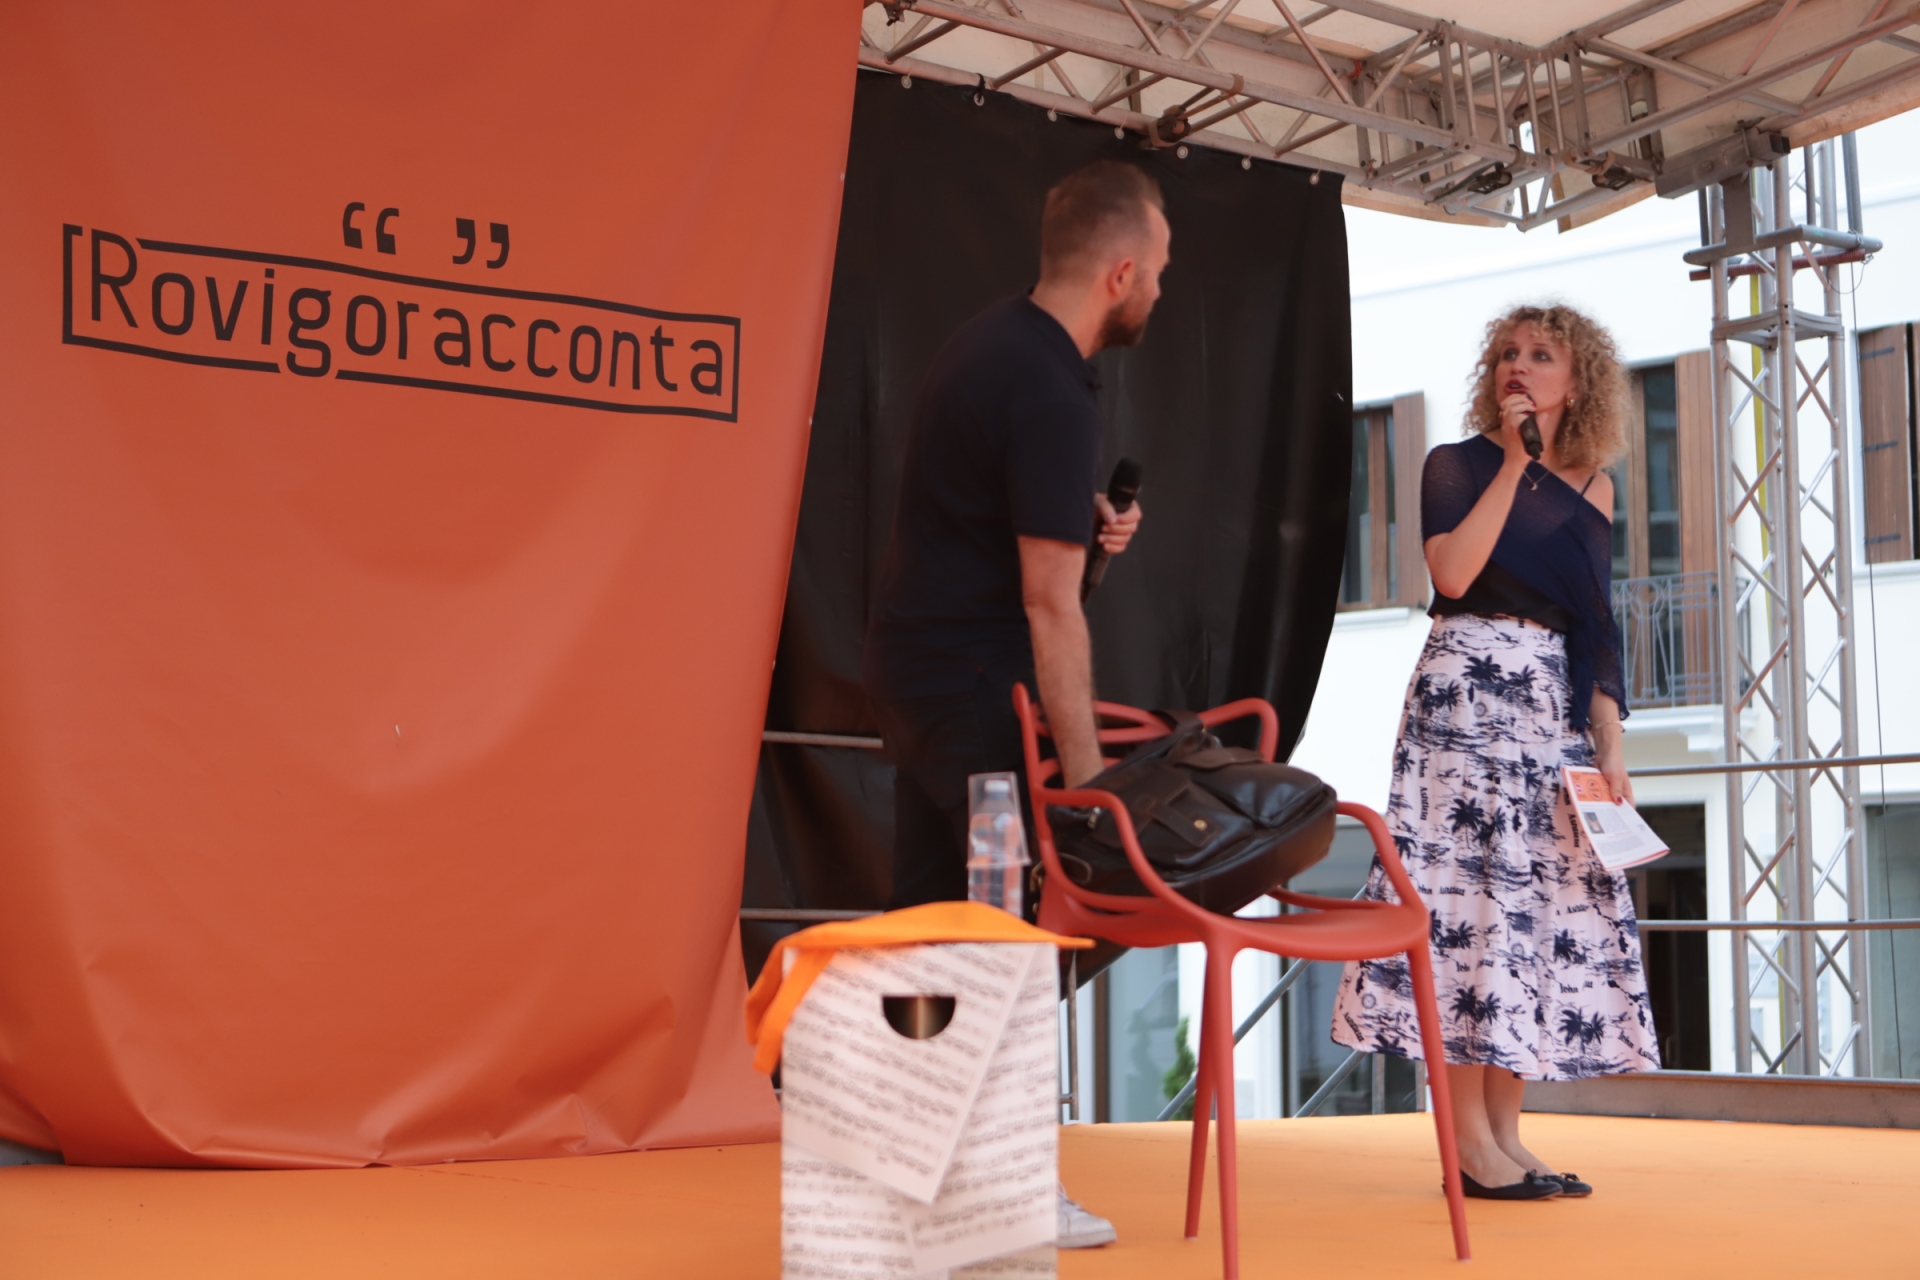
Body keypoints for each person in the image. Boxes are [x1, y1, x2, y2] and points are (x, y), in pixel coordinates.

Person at [862, 160, 1169, 1247]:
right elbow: (1049, 605)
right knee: (996, 931)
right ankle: (1000, 1190)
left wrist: (1088, 535)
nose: (1161, 290)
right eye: (1159, 269)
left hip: (920, 682)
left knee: (929, 930)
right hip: (973, 698)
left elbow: (1019, 555)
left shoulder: (991, 347)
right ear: (1120, 272)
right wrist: (1087, 787)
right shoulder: (1046, 385)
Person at [1330, 304, 1660, 1202]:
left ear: (1577, 382)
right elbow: (1452, 574)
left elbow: (1596, 624)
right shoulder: (1458, 464)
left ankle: (1506, 1137)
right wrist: (1515, 463)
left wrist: (1610, 743)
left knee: (1524, 914)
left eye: (1542, 355)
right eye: (1510, 353)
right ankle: (1467, 1146)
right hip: (1464, 695)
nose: (1521, 365)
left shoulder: (1594, 485)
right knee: (1464, 908)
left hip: (1547, 706)